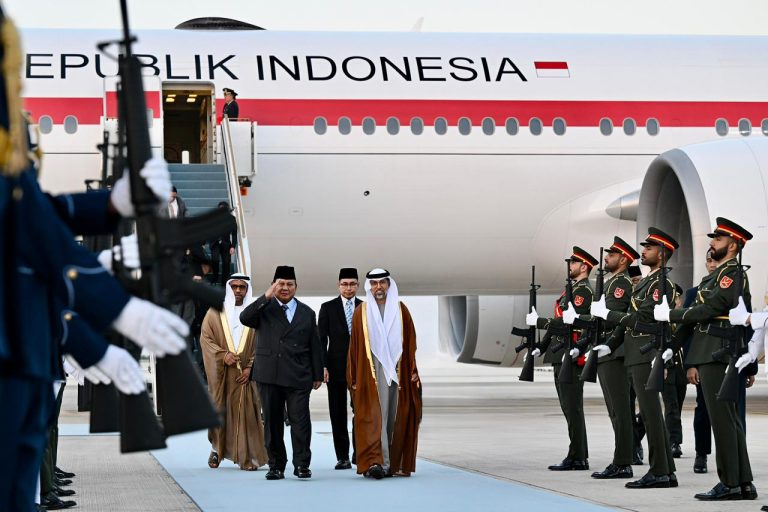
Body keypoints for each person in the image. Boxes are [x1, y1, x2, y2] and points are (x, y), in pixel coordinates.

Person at [0, 10, 188, 509]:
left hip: (23, 361)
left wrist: (111, 205)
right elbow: (25, 225)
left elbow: (31, 213)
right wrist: (113, 309)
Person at [660, 217, 756, 500]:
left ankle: (730, 483)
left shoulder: (731, 274)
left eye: (719, 239)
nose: (713, 242)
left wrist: (671, 314)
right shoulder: (715, 276)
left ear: (733, 245)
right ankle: (742, 482)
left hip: (718, 350)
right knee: (728, 419)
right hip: (710, 350)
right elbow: (696, 317)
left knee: (724, 420)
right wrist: (673, 345)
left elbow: (709, 308)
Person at [592, 227, 679, 489]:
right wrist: (609, 344)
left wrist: (608, 314)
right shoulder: (646, 283)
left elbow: (641, 319)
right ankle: (666, 471)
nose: (644, 251)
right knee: (650, 415)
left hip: (646, 353)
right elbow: (630, 321)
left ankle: (660, 471)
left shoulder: (661, 284)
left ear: (662, 254)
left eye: (649, 248)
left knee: (651, 414)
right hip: (635, 352)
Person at [240, 266, 323, 480]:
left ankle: (302, 464)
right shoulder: (263, 308)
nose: (285, 288)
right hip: (269, 374)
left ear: (296, 286)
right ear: (273, 285)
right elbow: (245, 318)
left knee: (300, 421)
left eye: (289, 284)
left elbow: (314, 344)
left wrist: (317, 374)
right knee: (272, 422)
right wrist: (266, 296)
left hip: (298, 374)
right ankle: (276, 465)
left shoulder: (307, 312)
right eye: (280, 284)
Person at [526, 247, 597, 471]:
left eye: (573, 262)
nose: (570, 266)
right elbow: (560, 321)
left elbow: (569, 321)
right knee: (568, 407)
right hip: (560, 352)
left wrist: (540, 322)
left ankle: (578, 456)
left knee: (572, 407)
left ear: (584, 267)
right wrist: (541, 346)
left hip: (570, 354)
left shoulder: (583, 291)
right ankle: (576, 454)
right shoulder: (572, 290)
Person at [348, 268, 421, 479]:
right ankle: (376, 462)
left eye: (382, 282)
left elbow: (411, 343)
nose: (378, 287)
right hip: (371, 371)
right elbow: (354, 348)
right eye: (374, 283)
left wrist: (413, 370)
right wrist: (353, 377)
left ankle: (391, 463)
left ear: (389, 284)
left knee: (394, 414)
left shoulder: (401, 310)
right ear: (369, 286)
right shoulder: (361, 312)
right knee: (373, 414)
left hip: (398, 370)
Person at [580, 237, 637, 479]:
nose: (606, 258)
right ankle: (621, 459)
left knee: (620, 410)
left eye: (611, 255)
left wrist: (584, 319)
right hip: (606, 348)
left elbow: (612, 317)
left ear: (623, 259)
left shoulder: (620, 284)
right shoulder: (611, 282)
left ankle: (623, 462)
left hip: (615, 351)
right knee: (614, 410)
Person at [201, 274, 268, 471]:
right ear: (229, 288)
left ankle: (246, 457)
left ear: (247, 289)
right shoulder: (215, 311)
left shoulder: (256, 313)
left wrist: (251, 368)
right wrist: (223, 356)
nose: (238, 290)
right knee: (219, 411)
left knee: (247, 414)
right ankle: (216, 449)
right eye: (234, 286)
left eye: (242, 287)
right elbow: (206, 339)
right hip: (223, 374)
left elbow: (263, 342)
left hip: (246, 375)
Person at [318, 268, 362, 470]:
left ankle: (360, 453)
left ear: (358, 285)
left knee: (361, 412)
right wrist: (322, 366)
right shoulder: (328, 308)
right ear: (338, 286)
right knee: (337, 413)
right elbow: (321, 340)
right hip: (335, 368)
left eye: (352, 284)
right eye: (345, 284)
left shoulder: (365, 307)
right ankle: (342, 457)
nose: (348, 288)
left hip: (360, 368)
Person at [683, 249, 718, 474]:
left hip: (727, 358)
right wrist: (691, 364)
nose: (712, 264)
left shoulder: (733, 289)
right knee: (704, 409)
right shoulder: (694, 293)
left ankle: (734, 456)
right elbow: (687, 331)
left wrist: (750, 366)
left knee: (732, 411)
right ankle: (701, 454)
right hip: (703, 359)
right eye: (709, 260)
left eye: (715, 260)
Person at [662, 283, 687, 459]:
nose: (676, 302)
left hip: (680, 369)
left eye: (677, 299)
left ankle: (637, 433)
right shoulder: (661, 318)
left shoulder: (682, 319)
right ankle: (674, 442)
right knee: (671, 406)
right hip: (666, 367)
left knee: (677, 405)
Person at [209, 201, 237, 286]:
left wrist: (233, 246)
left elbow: (234, 234)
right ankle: (215, 278)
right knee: (215, 260)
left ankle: (224, 282)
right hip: (215, 243)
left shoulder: (231, 219)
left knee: (226, 262)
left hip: (226, 244)